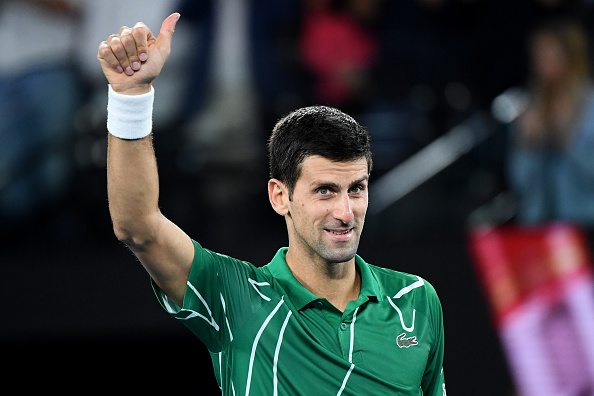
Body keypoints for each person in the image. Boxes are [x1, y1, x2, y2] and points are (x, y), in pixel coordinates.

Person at [97, 13, 446, 395]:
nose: (346, 213)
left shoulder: (416, 301)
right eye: (325, 191)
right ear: (280, 196)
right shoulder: (237, 299)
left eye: (356, 189)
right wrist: (130, 97)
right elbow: (138, 227)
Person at [507, 18, 594, 226]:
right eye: (536, 55)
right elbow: (518, 181)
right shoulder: (531, 104)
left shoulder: (590, 105)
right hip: (538, 224)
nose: (539, 62)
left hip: (585, 223)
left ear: (569, 56)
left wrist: (565, 139)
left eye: (547, 53)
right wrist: (526, 143)